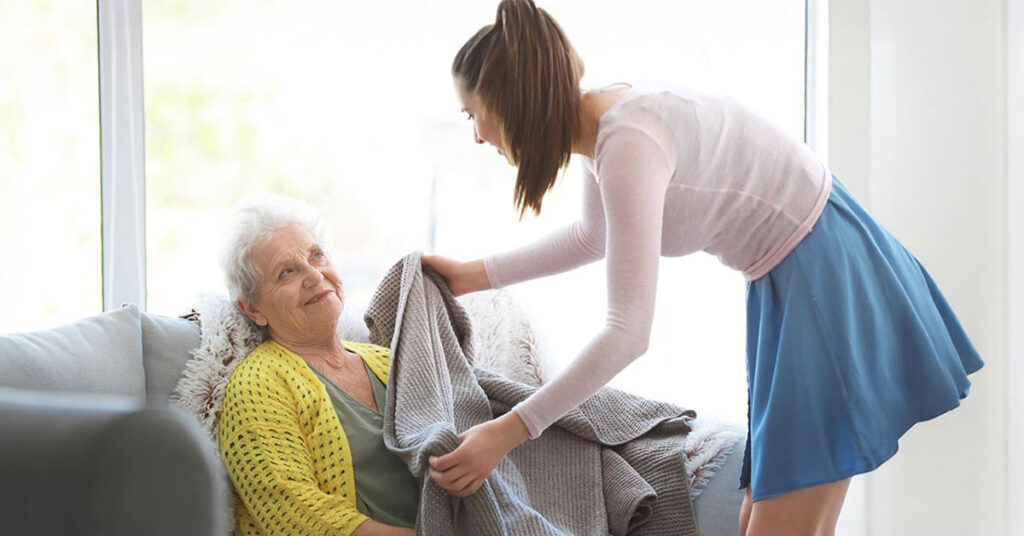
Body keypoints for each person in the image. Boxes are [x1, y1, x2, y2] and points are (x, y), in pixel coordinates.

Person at [422, 1, 985, 534]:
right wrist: (474, 275)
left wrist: (506, 432)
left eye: (476, 113)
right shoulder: (605, 126)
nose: (476, 134)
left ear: (513, 101)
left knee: (778, 527)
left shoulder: (628, 141)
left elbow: (627, 333)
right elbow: (594, 235)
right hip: (791, 279)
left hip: (825, 276)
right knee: (770, 523)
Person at [217, 195, 418, 536]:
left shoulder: (388, 360)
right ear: (253, 310)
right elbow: (294, 516)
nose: (314, 275)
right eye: (287, 272)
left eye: (317, 255)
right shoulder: (258, 384)